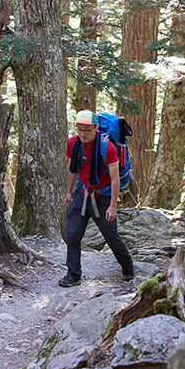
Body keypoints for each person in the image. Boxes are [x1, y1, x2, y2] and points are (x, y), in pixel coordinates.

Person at [61, 109, 135, 287]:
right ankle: (73, 275)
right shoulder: (74, 143)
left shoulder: (107, 147)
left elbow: (115, 178)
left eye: (87, 130)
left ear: (96, 128)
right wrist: (69, 192)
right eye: (79, 129)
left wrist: (113, 206)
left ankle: (128, 268)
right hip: (82, 193)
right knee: (72, 235)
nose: (83, 134)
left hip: (103, 196)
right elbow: (73, 169)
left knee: (111, 236)